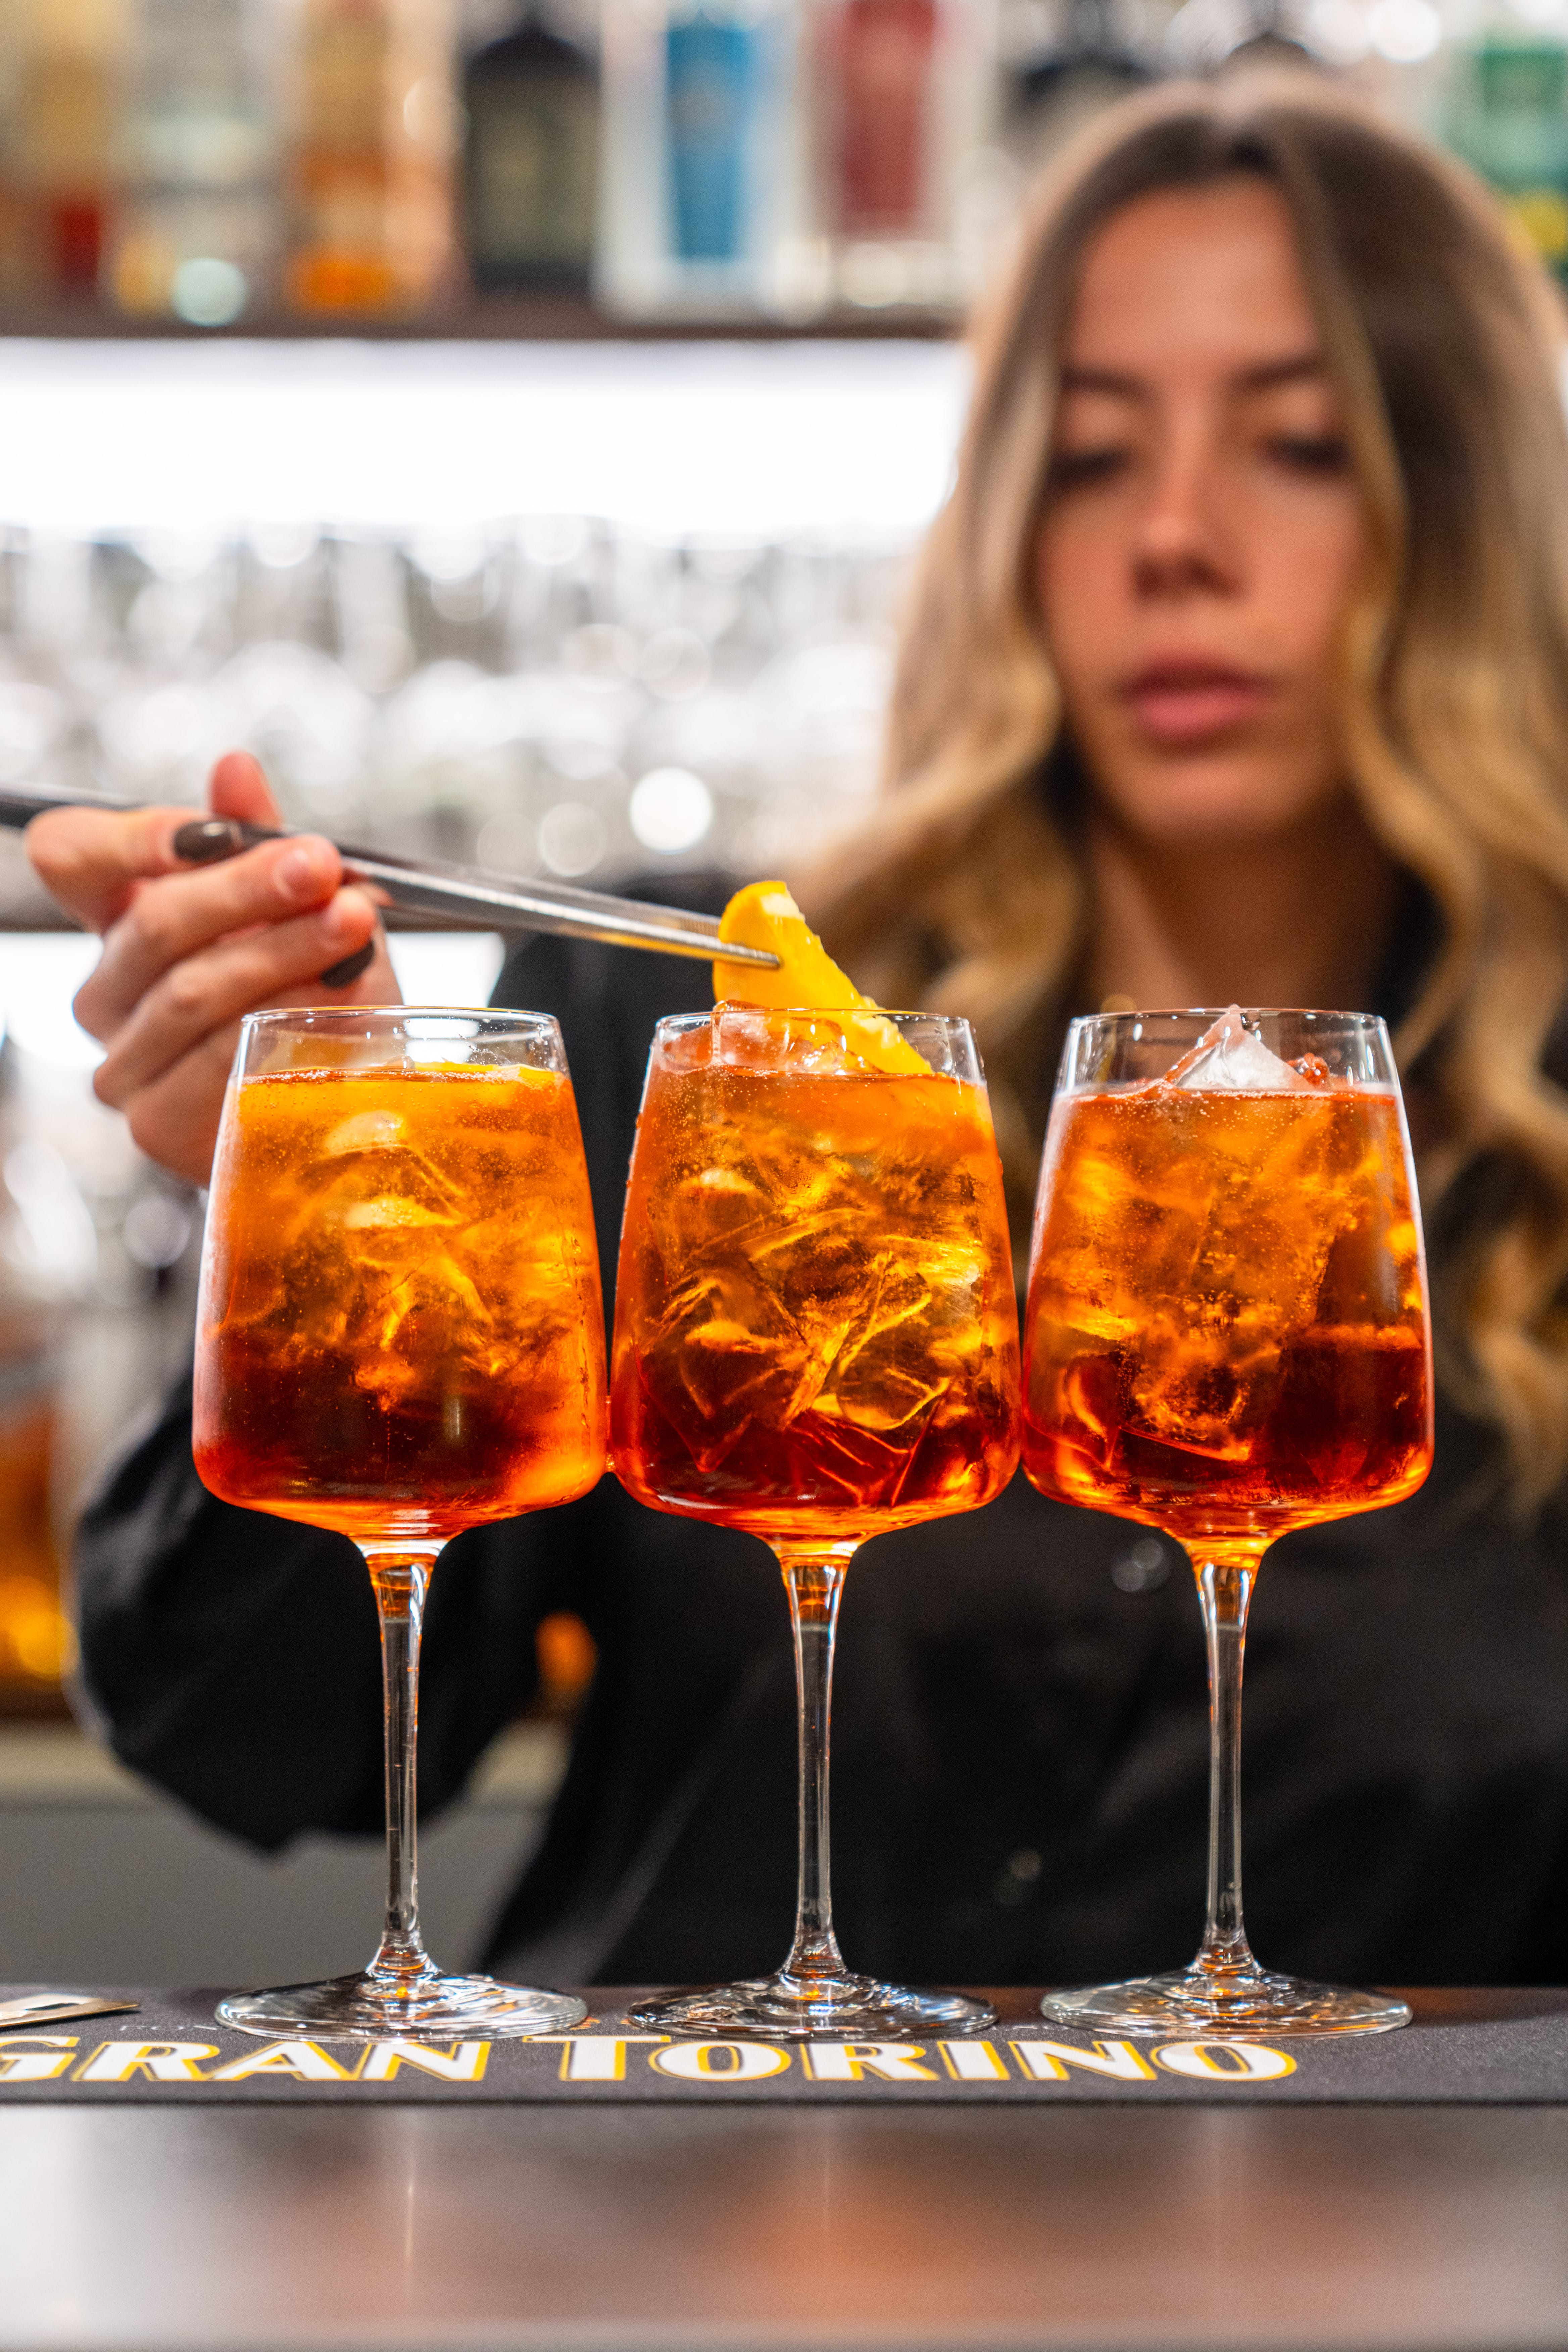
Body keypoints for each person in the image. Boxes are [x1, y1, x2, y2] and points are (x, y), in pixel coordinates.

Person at [32, 74, 1568, 1991]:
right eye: (1091, 455)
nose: (1176, 536)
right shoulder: (686, 1020)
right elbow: (264, 1750)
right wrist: (319, 1211)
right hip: (639, 2227)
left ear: (1473, 517)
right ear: (1003, 524)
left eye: (1305, 446)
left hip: (1370, 2244)